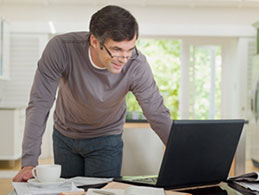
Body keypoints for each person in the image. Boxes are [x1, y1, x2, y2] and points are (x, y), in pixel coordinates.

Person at [13, 5, 172, 182]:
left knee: (103, 192)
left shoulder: (136, 64)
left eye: (130, 49)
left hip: (107, 138)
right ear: (95, 42)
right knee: (68, 192)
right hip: (65, 136)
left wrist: (179, 151)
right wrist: (29, 162)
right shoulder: (61, 49)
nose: (124, 59)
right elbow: (40, 103)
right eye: (117, 50)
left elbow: (156, 112)